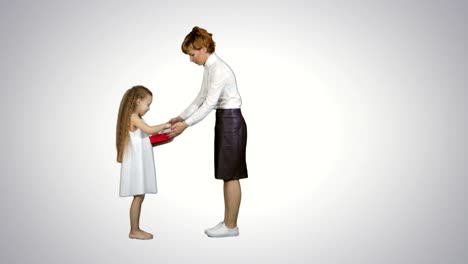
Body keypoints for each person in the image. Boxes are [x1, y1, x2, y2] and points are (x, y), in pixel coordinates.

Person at [168, 26, 248, 238]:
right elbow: (200, 97)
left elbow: (209, 104)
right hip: (225, 120)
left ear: (203, 48)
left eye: (192, 54)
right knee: (226, 174)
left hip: (231, 120)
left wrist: (186, 126)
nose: (191, 59)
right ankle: (229, 223)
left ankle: (231, 227)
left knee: (231, 175)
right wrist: (181, 117)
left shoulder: (219, 69)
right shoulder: (210, 68)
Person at [116, 85, 171, 240]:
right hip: (135, 164)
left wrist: (164, 137)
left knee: (140, 196)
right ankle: (134, 230)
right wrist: (165, 125)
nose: (148, 108)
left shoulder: (136, 117)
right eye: (148, 104)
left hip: (138, 162)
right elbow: (148, 130)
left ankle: (135, 229)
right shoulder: (133, 117)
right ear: (138, 101)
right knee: (138, 197)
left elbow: (144, 139)